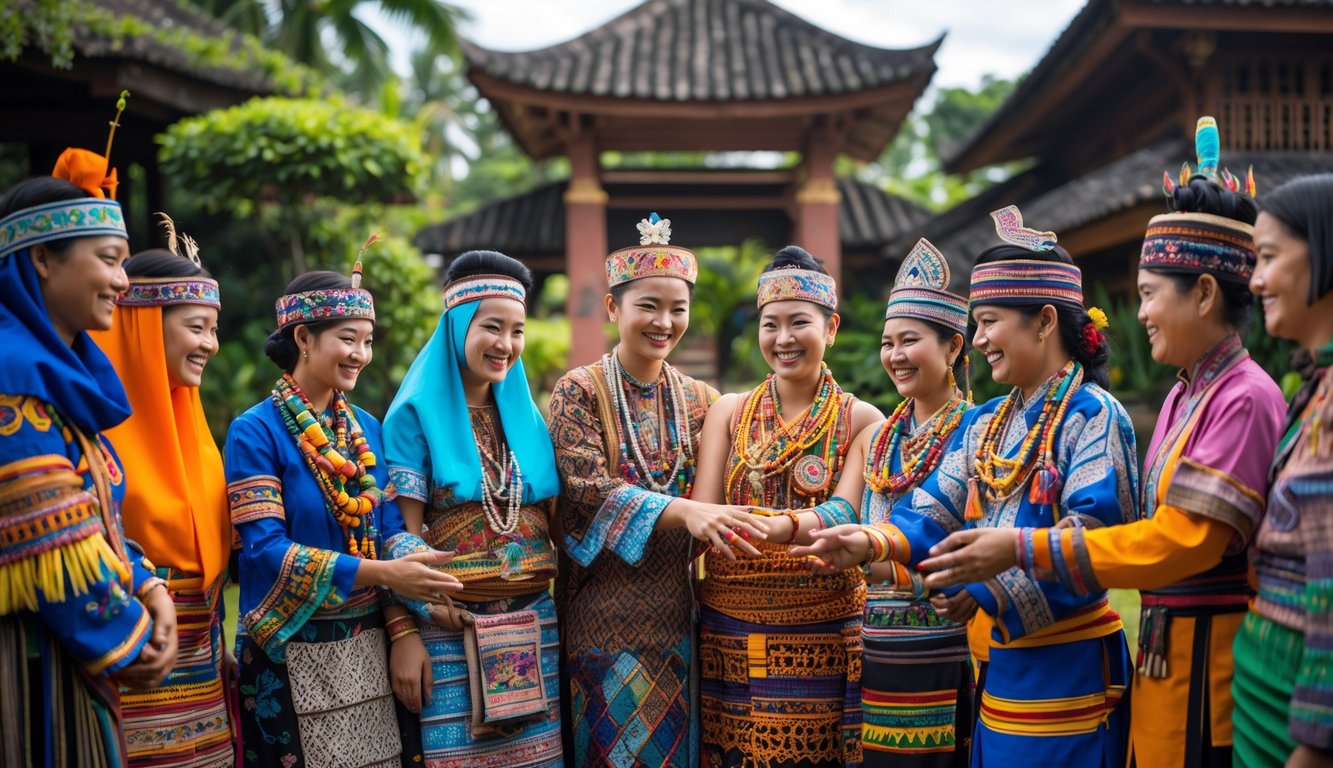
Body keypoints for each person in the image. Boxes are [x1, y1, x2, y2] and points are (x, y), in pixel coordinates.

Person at [914, 119, 1287, 768]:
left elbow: (1181, 541)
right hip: (1158, 655)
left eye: (1147, 295)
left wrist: (1015, 550)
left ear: (1201, 294)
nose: (1137, 312)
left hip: (1209, 656)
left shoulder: (1242, 395)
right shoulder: (1183, 393)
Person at [795, 207, 1139, 768]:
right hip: (1000, 668)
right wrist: (868, 543)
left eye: (989, 322)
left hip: (1068, 663)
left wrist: (984, 590)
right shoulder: (989, 424)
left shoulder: (1094, 415)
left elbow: (1096, 537)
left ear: (1046, 321)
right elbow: (930, 513)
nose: (978, 341)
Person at [548, 215, 767, 767]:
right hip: (600, 620)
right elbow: (585, 491)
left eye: (678, 309)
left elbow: (731, 485)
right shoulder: (579, 391)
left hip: (678, 622)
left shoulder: (702, 399)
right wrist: (688, 511)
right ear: (613, 308)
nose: (664, 322)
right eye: (648, 305)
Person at [225, 266, 458, 768]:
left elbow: (391, 528)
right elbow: (265, 549)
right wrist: (383, 573)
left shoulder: (366, 429)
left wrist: (430, 572)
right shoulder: (254, 432)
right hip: (287, 649)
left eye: (368, 341)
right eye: (348, 339)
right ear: (304, 338)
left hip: (369, 645)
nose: (360, 354)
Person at [0, 149, 177, 766]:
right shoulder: (13, 377)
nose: (123, 282)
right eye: (108, 261)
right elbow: (52, 544)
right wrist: (133, 640)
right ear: (42, 259)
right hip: (30, 667)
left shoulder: (52, 377)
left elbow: (92, 518)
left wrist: (147, 584)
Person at [692, 246, 883, 767]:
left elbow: (847, 511)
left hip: (821, 629)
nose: (783, 339)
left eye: (799, 322)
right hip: (729, 626)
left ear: (832, 328)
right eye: (769, 324)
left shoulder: (862, 419)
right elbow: (702, 516)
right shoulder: (728, 413)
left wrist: (772, 529)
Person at [383, 251, 564, 767]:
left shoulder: (526, 417)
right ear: (459, 323)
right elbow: (399, 537)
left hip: (535, 625)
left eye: (518, 330)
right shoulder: (413, 416)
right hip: (449, 630)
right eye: (492, 327)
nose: (506, 344)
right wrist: (406, 628)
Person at [90, 221, 239, 767]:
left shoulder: (197, 437)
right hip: (128, 672)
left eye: (214, 329)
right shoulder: (92, 435)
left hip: (203, 680)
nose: (211, 345)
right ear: (143, 327)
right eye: (197, 327)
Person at [856, 239, 973, 765]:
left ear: (952, 348)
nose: (895, 355)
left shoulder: (978, 429)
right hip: (877, 645)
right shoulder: (884, 436)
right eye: (887, 343)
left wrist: (891, 571)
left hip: (945, 641)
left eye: (910, 340)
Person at [1232, 173, 1333, 766]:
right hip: (1266, 690)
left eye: (1268, 257)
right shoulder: (1313, 391)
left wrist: (1316, 744)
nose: (1255, 280)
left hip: (1299, 714)